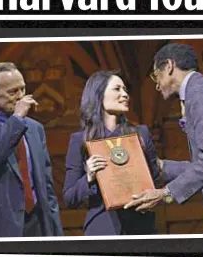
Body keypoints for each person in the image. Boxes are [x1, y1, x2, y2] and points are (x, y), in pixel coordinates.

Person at [125, 43, 203, 234]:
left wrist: (165, 194)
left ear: (169, 66)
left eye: (155, 75)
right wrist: (162, 167)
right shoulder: (200, 91)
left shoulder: (201, 91)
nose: (156, 84)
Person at [63, 70, 160, 235]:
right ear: (99, 96)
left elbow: (156, 180)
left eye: (125, 90)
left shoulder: (140, 134)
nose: (125, 94)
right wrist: (88, 178)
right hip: (102, 228)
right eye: (117, 89)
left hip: (141, 227)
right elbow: (69, 198)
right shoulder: (80, 140)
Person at [0, 62, 63, 237]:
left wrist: (56, 233)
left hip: (38, 222)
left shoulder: (36, 128)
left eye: (23, 89)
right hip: (0, 224)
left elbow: (47, 185)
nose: (20, 97)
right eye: (12, 92)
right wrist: (17, 118)